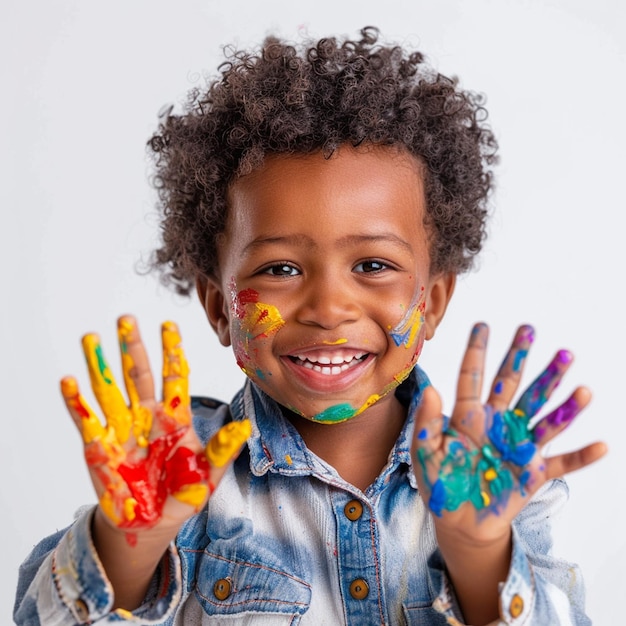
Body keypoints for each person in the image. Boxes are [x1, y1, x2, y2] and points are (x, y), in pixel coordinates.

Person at [14, 26, 607, 626]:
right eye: (280, 268)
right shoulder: (179, 476)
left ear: (432, 298)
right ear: (220, 306)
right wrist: (127, 548)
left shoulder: (492, 483)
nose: (328, 307)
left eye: (373, 265)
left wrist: (481, 557)